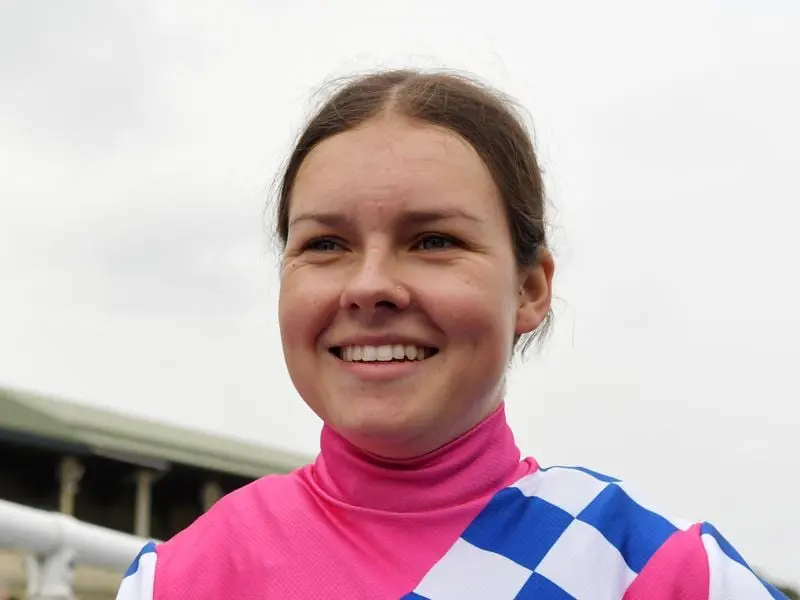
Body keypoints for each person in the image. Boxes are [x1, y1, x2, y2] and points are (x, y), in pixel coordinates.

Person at [115, 69, 786, 599]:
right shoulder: (180, 581)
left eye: (433, 240)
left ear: (530, 288)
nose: (369, 285)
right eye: (325, 244)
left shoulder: (655, 575)